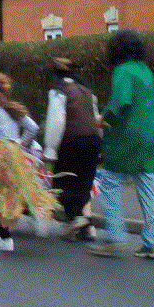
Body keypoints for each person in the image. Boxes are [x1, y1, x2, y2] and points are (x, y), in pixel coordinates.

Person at [88, 30, 154, 259]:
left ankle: (115, 237)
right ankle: (153, 243)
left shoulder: (123, 71)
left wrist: (103, 120)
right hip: (149, 136)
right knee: (147, 187)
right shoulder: (146, 71)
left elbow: (121, 102)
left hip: (125, 139)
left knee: (109, 183)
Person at [0, 71, 57, 251]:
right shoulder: (12, 109)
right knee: (12, 192)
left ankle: (5, 239)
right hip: (14, 153)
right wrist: (19, 144)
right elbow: (33, 128)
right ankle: (7, 234)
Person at [45, 57, 101, 242]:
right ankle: (88, 227)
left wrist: (51, 150)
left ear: (56, 74)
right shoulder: (87, 90)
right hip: (93, 141)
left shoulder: (59, 91)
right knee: (84, 184)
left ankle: (76, 218)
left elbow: (56, 122)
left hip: (73, 141)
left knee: (62, 183)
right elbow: (95, 117)